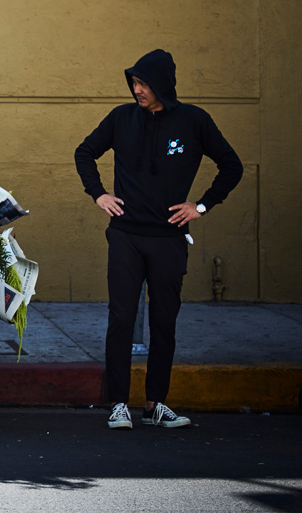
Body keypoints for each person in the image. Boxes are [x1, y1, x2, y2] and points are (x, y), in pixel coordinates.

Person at [74, 48, 242, 430]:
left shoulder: (194, 121)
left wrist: (201, 206)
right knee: (121, 318)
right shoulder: (121, 118)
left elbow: (231, 166)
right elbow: (85, 152)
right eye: (134, 83)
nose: (137, 90)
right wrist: (98, 193)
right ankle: (119, 403)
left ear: (162, 85)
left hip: (169, 238)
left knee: (164, 321)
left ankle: (155, 404)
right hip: (126, 235)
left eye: (144, 83)